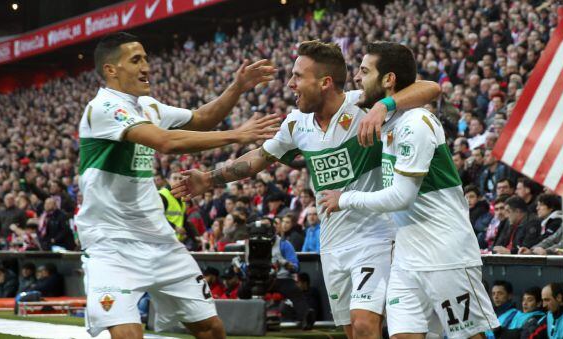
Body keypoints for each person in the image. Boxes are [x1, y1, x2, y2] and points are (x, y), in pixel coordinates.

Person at [171, 40, 441, 339]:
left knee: (365, 324)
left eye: (298, 76)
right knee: (353, 331)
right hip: (332, 243)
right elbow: (260, 157)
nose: (290, 84)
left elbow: (430, 88)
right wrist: (209, 179)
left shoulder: (361, 104)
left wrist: (383, 105)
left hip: (375, 237)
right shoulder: (297, 123)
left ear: (325, 82)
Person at [77, 32, 280, 339]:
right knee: (128, 334)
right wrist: (237, 135)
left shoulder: (148, 106)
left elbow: (201, 118)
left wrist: (237, 87)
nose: (146, 65)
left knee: (212, 330)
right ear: (111, 70)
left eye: (145, 58)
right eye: (135, 60)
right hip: (111, 244)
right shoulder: (104, 107)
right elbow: (166, 142)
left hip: (160, 242)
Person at [319, 41, 499, 338]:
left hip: (445, 255)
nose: (357, 78)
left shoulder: (416, 122)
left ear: (388, 79)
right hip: (406, 258)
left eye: (364, 71)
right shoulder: (389, 121)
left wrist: (345, 199)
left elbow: (402, 197)